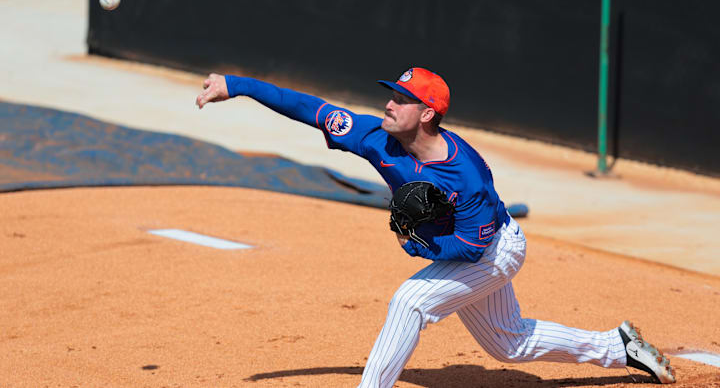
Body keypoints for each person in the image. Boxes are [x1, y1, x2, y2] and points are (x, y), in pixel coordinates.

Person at [195, 67, 675, 386]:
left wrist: (417, 243)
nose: (389, 105)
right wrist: (236, 85)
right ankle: (619, 348)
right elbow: (306, 106)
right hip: (464, 247)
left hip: (492, 250)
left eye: (402, 100)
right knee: (510, 344)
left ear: (427, 114)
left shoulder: (465, 178)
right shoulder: (373, 137)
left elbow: (468, 249)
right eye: (392, 95)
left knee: (410, 302)